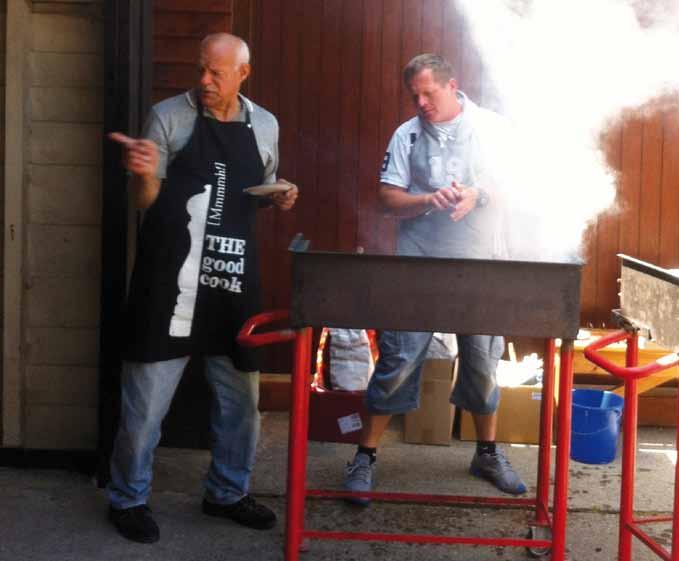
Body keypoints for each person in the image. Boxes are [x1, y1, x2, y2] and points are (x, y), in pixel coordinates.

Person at [106, 33, 298, 543]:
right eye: (200, 71)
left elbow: (259, 187)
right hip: (168, 281)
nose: (205, 82)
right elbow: (146, 201)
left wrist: (280, 197)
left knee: (240, 404)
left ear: (242, 73)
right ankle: (128, 498)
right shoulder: (169, 116)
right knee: (145, 405)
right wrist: (144, 174)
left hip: (231, 282)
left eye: (216, 73)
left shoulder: (265, 125)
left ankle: (227, 492)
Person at [343, 53, 525, 505]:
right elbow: (387, 198)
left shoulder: (490, 128)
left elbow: (519, 186)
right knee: (398, 358)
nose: (421, 103)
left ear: (452, 85)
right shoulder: (406, 135)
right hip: (419, 264)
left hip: (481, 261)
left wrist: (477, 194)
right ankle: (364, 457)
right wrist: (428, 199)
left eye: (429, 92)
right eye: (415, 95)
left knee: (483, 363)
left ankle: (487, 453)